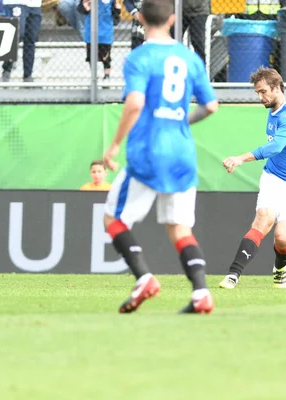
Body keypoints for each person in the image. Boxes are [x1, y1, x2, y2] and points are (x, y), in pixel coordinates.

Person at [102, 0, 219, 314]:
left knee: (113, 219)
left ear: (139, 18)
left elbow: (135, 103)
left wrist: (114, 145)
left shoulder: (138, 57)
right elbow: (210, 106)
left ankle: (144, 279)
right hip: (182, 152)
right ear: (172, 19)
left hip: (149, 151)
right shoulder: (189, 57)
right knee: (180, 228)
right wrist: (180, 121)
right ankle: (201, 294)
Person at [218, 67, 286, 289]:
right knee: (263, 218)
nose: (260, 97)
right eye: (257, 92)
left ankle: (280, 269)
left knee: (282, 237)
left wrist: (239, 158)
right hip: (274, 175)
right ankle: (233, 275)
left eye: (263, 91)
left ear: (277, 88)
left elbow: (276, 146)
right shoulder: (278, 108)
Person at [78, 0, 121, 80]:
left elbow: (116, 13)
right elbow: (80, 9)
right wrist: (86, 7)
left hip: (105, 32)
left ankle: (107, 76)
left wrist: (117, 9)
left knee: (106, 57)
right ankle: (94, 76)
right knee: (91, 56)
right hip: (91, 32)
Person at [0, 0, 42, 82]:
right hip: (16, 3)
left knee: (31, 39)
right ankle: (7, 68)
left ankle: (28, 75)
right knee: (17, 35)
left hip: (35, 4)